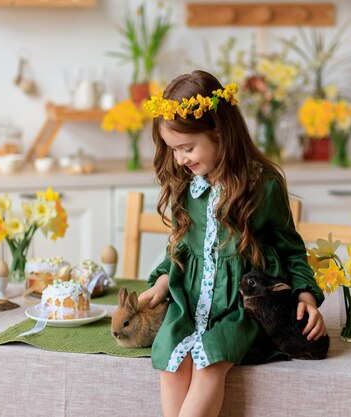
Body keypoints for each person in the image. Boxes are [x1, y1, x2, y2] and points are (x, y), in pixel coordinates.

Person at [139, 70, 327, 417]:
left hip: (242, 308)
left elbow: (290, 247)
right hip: (190, 303)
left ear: (220, 133)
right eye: (173, 150)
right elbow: (181, 246)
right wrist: (164, 281)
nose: (180, 159)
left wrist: (305, 294)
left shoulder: (263, 185)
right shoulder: (188, 183)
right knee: (171, 358)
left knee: (211, 360)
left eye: (187, 148)